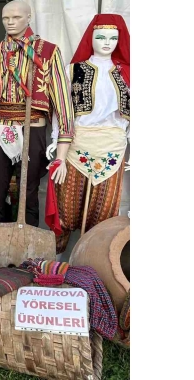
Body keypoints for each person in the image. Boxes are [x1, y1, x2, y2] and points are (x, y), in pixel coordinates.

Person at [0, 0, 75, 226]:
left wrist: (62, 154)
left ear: (29, 17)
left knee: (29, 189)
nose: (10, 22)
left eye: (16, 17)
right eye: (6, 18)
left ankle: (28, 248)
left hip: (32, 126)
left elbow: (62, 100)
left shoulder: (47, 52)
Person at [49, 14, 130, 253]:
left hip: (113, 145)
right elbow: (61, 110)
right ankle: (55, 263)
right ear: (90, 38)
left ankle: (92, 264)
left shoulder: (128, 73)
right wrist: (57, 140)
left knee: (104, 210)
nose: (107, 42)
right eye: (101, 36)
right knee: (67, 206)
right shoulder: (72, 70)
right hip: (77, 142)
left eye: (114, 37)